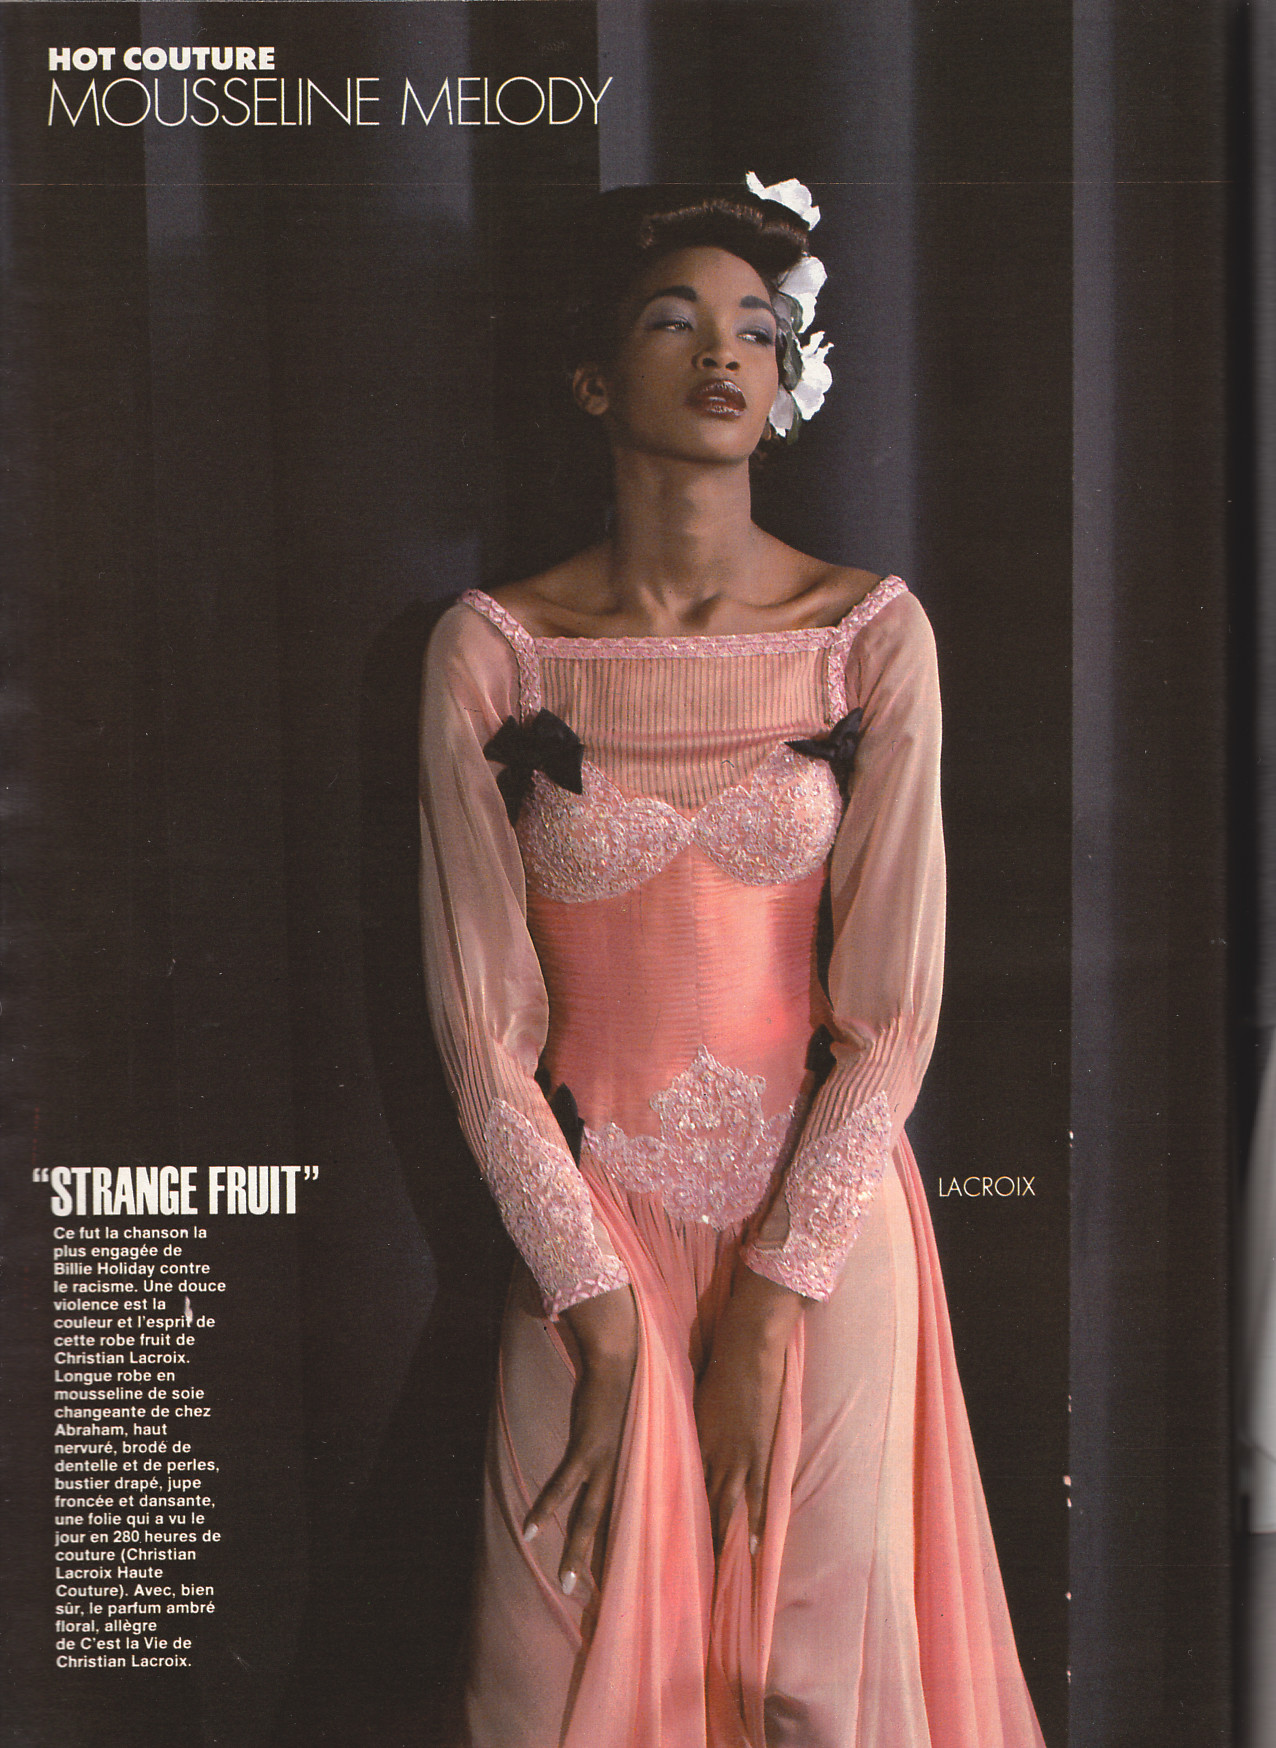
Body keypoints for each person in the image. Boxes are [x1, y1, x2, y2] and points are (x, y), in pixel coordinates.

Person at [419, 177, 1046, 1748]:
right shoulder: (495, 653)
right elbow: (483, 1036)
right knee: (559, 1688)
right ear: (592, 380)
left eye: (758, 331)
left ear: (786, 376)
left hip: (821, 1233)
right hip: (592, 1233)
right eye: (674, 321)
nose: (724, 354)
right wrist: (596, 1308)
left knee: (813, 1695)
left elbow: (892, 1016)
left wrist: (775, 1300)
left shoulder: (868, 638)